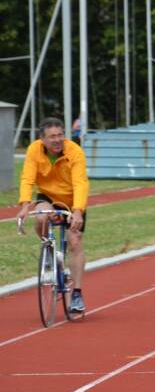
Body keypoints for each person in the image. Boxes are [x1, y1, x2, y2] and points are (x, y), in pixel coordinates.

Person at [16, 117, 89, 313]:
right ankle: (48, 253)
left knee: (75, 240)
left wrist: (77, 211)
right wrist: (24, 205)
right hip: (47, 195)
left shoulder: (74, 151)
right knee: (40, 217)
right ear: (43, 139)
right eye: (52, 137)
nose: (57, 140)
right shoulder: (34, 150)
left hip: (72, 199)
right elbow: (27, 178)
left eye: (60, 135)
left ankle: (76, 294)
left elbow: (80, 183)